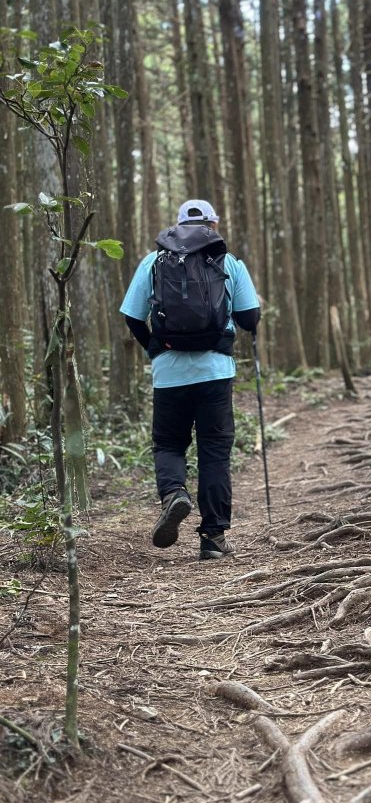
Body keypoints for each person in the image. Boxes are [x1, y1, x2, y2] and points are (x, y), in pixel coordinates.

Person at [120, 199, 260, 560]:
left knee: (168, 444)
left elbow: (133, 317)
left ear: (178, 226)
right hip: (215, 372)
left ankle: (173, 493)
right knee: (214, 453)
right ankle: (213, 539)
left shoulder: (153, 262)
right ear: (212, 224)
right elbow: (249, 317)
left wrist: (156, 349)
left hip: (169, 374)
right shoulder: (229, 261)